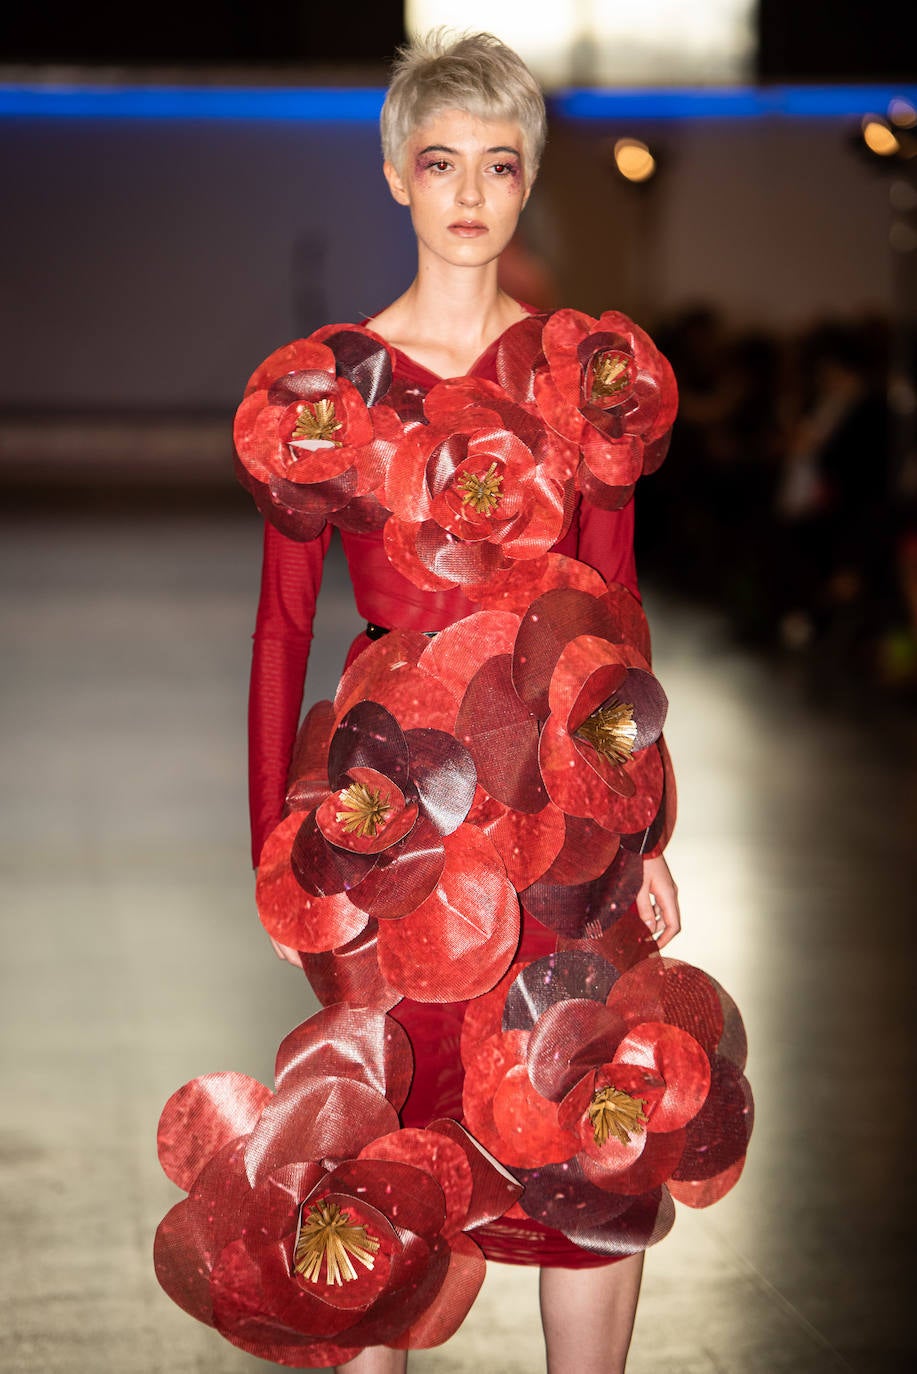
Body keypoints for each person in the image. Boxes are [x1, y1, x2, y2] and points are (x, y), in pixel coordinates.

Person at [154, 30, 748, 1374]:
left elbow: (615, 606)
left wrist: (646, 829)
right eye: (440, 162)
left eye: (496, 163)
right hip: (386, 827)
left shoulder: (577, 374)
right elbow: (280, 626)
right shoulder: (332, 389)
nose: (469, 191)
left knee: (584, 1144)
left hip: (559, 810)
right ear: (392, 175)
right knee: (377, 1143)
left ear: (527, 177)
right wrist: (281, 851)